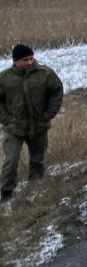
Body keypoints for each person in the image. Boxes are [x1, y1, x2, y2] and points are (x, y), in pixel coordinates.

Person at [0, 44, 64, 201]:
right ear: (15, 61)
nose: (29, 62)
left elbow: (57, 92)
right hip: (14, 128)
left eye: (31, 58)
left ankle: (34, 191)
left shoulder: (45, 74)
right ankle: (7, 193)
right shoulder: (5, 78)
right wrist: (6, 120)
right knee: (10, 161)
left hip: (39, 127)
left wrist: (48, 114)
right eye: (25, 60)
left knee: (37, 160)